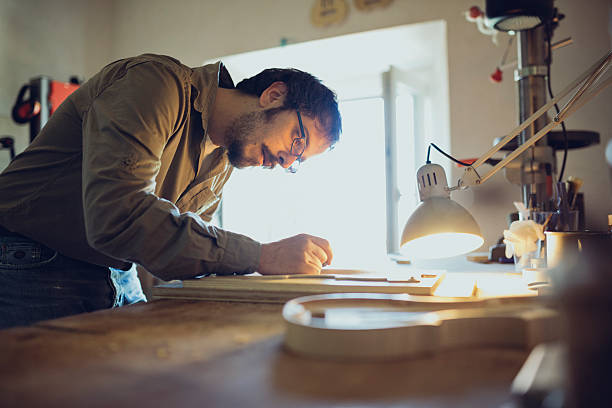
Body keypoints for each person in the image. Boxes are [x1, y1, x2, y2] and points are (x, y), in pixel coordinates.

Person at [0, 54, 342, 328]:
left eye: (298, 160)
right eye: (298, 141)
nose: (285, 161)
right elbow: (117, 216)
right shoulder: (156, 84)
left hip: (120, 272)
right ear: (274, 95)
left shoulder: (224, 158)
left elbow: (184, 246)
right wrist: (263, 256)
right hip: (32, 259)